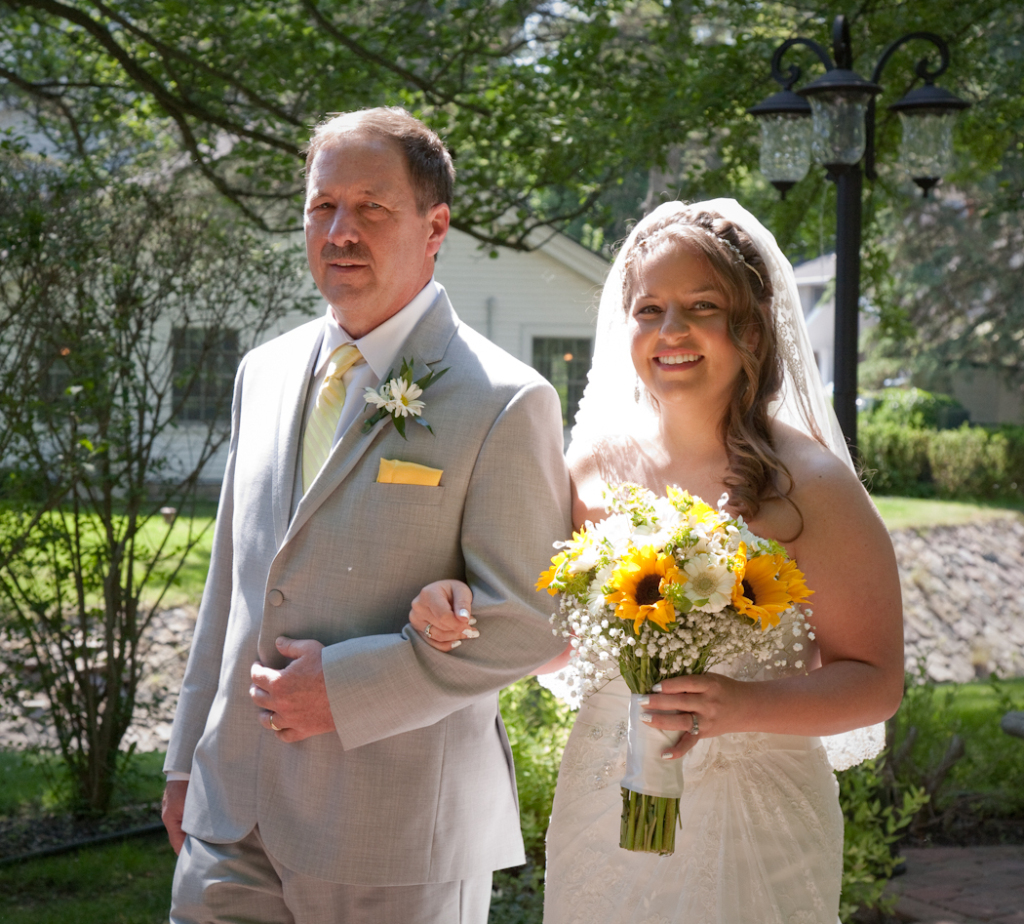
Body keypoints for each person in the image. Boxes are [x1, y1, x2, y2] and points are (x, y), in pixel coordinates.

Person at [409, 199, 905, 923]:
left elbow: (877, 681)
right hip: (604, 803)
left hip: (755, 815)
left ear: (752, 327)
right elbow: (553, 639)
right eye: (650, 310)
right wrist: (458, 606)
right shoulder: (585, 471)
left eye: (702, 307)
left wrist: (744, 706)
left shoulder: (812, 487)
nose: (671, 331)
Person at [160, 107, 570, 924]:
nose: (340, 231)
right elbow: (230, 590)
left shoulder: (506, 399)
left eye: (371, 208)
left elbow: (532, 621)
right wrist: (183, 764)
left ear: (435, 227)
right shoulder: (263, 372)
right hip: (229, 818)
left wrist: (344, 691)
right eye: (323, 206)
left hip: (397, 835)